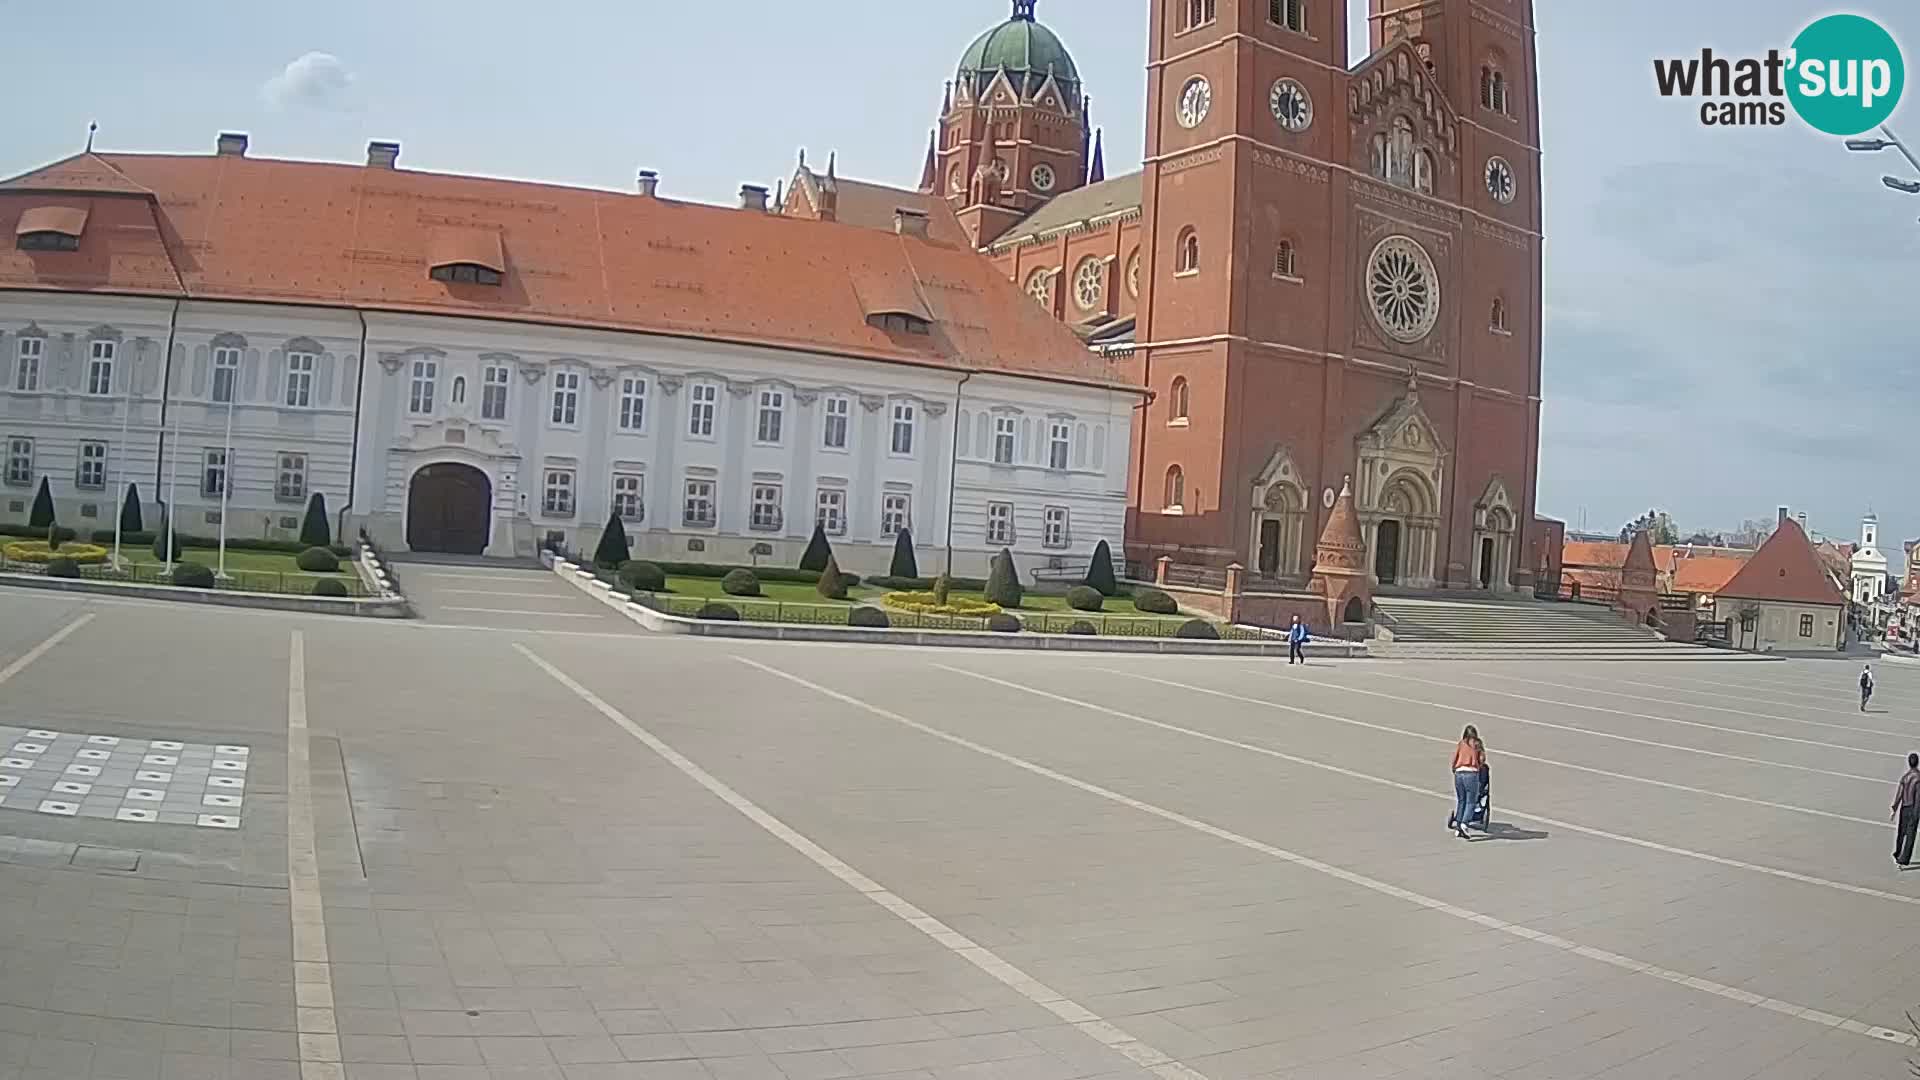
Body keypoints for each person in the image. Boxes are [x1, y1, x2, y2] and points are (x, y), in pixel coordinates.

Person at [1450, 725, 1485, 841]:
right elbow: (1482, 759)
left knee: (1461, 800)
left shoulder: (1461, 743)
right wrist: (1479, 766)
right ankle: (1464, 824)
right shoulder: (1477, 744)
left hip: (1459, 773)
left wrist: (1454, 768)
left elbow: (1455, 757)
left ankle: (1458, 825)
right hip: (1471, 773)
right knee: (1471, 801)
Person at [1894, 752, 1920, 866]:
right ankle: (1904, 858)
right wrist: (1916, 813)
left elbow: (1899, 794)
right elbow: (1918, 797)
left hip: (1904, 808)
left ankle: (1898, 852)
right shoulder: (1918, 777)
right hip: (1914, 808)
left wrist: (1894, 807)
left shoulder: (1905, 777)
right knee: (1910, 834)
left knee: (1901, 831)